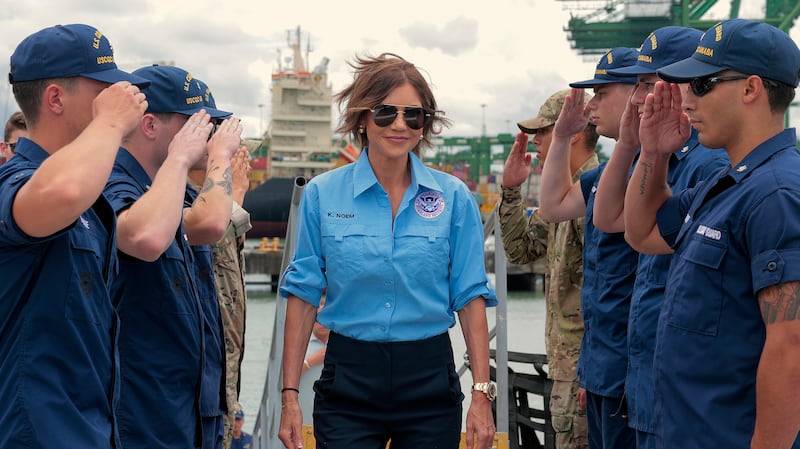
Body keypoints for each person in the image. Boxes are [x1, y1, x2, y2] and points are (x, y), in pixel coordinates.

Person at [278, 53, 498, 449]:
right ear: (363, 118)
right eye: (385, 112)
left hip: (429, 379)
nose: (400, 125)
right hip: (349, 380)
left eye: (413, 115)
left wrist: (481, 394)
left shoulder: (454, 199)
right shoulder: (320, 196)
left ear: (424, 124)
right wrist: (289, 394)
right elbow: (304, 293)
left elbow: (470, 295)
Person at [624, 18, 800, 449]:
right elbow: (640, 231)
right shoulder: (725, 185)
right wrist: (652, 152)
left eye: (700, 85)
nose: (686, 102)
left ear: (750, 89)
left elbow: (792, 344)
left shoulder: (777, 193)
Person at [0, 23, 148, 449]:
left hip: (88, 425)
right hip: (34, 431)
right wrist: (112, 124)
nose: (121, 100)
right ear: (55, 98)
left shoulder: (91, 198)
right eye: (104, 89)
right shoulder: (16, 182)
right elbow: (60, 190)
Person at [591, 26, 729, 449]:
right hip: (645, 375)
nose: (637, 97)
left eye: (648, 85)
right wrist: (634, 143)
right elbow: (610, 217)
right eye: (636, 85)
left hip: (679, 384)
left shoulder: (708, 163)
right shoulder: (665, 153)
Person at [104, 64, 241, 449]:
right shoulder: (113, 184)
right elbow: (208, 223)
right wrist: (216, 159)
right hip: (142, 412)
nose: (209, 135)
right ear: (150, 126)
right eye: (196, 123)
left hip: (192, 409)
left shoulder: (176, 191)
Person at [537, 48, 640, 449]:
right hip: (601, 367)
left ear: (638, 94)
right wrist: (562, 136)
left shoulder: (661, 171)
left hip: (628, 375)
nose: (592, 105)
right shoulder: (606, 176)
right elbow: (551, 207)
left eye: (601, 93)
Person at [498, 88, 597, 449]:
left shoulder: (594, 194)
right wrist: (511, 191)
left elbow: (610, 293)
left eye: (545, 131)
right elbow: (520, 250)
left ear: (575, 131)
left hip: (584, 369)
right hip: (567, 367)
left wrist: (594, 368)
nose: (536, 141)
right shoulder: (563, 197)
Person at [189, 78, 253, 449]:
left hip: (217, 395)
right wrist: (229, 193)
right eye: (207, 128)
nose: (216, 140)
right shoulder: (177, 202)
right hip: (194, 397)